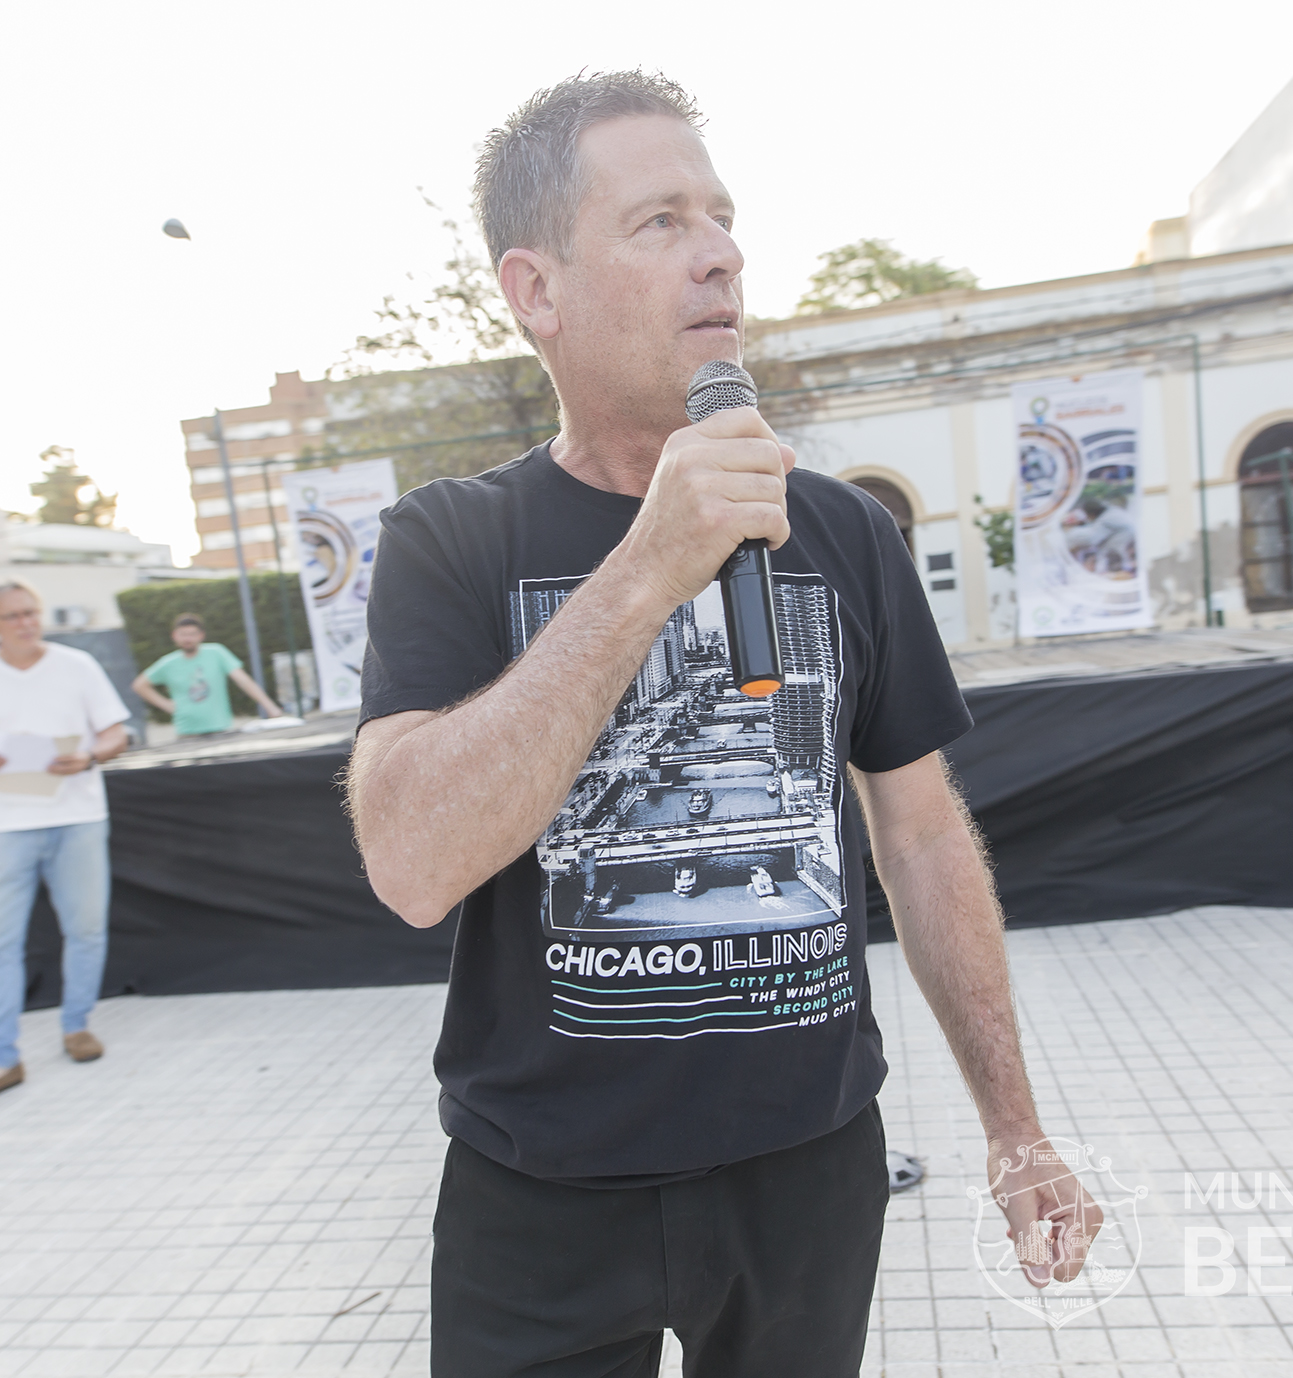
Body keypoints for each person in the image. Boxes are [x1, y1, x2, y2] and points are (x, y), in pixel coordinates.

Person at [345, 72, 1102, 1377]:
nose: (720, 254)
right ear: (536, 291)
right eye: (659, 222)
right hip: (541, 1194)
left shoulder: (842, 529)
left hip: (806, 1179)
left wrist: (1014, 1126)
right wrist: (648, 568)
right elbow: (410, 863)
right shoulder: (452, 540)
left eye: (722, 216)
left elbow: (921, 837)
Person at [0, 580, 131, 1112]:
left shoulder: (77, 666)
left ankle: (77, 1026)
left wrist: (89, 756)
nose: (25, 623)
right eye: (13, 616)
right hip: (0, 826)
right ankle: (0, 1060)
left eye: (31, 612)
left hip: (77, 816)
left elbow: (116, 732)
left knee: (86, 929)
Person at [131, 614, 282, 736]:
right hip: (187, 732)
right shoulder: (168, 663)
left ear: (201, 635)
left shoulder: (216, 653)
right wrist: (167, 705)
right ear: (174, 636)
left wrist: (269, 706)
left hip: (220, 728)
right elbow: (140, 685)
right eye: (183, 634)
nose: (187, 639)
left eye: (192, 634)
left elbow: (243, 680)